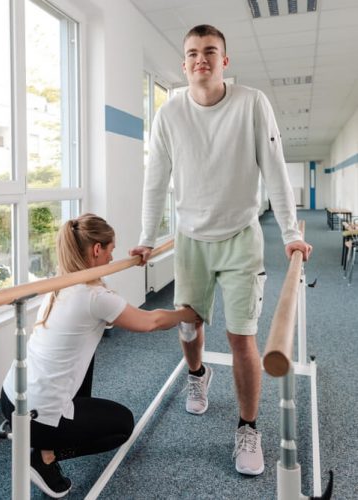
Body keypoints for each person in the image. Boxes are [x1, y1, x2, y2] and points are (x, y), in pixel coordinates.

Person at [130, 24, 312, 476]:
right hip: (191, 239)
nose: (200, 60)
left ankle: (248, 426)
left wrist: (290, 232)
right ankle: (197, 377)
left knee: (241, 338)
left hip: (239, 238)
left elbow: (274, 169)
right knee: (189, 328)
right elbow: (156, 181)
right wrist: (148, 237)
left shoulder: (251, 103)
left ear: (224, 61)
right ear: (184, 63)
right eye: (192, 53)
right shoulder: (169, 114)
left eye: (210, 52)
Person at [1, 213, 200, 498]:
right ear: (97, 249)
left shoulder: (61, 283)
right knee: (121, 425)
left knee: (86, 350)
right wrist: (190, 314)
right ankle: (44, 457)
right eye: (110, 250)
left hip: (10, 399)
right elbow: (150, 322)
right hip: (35, 415)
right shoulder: (94, 297)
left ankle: (44, 437)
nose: (112, 257)